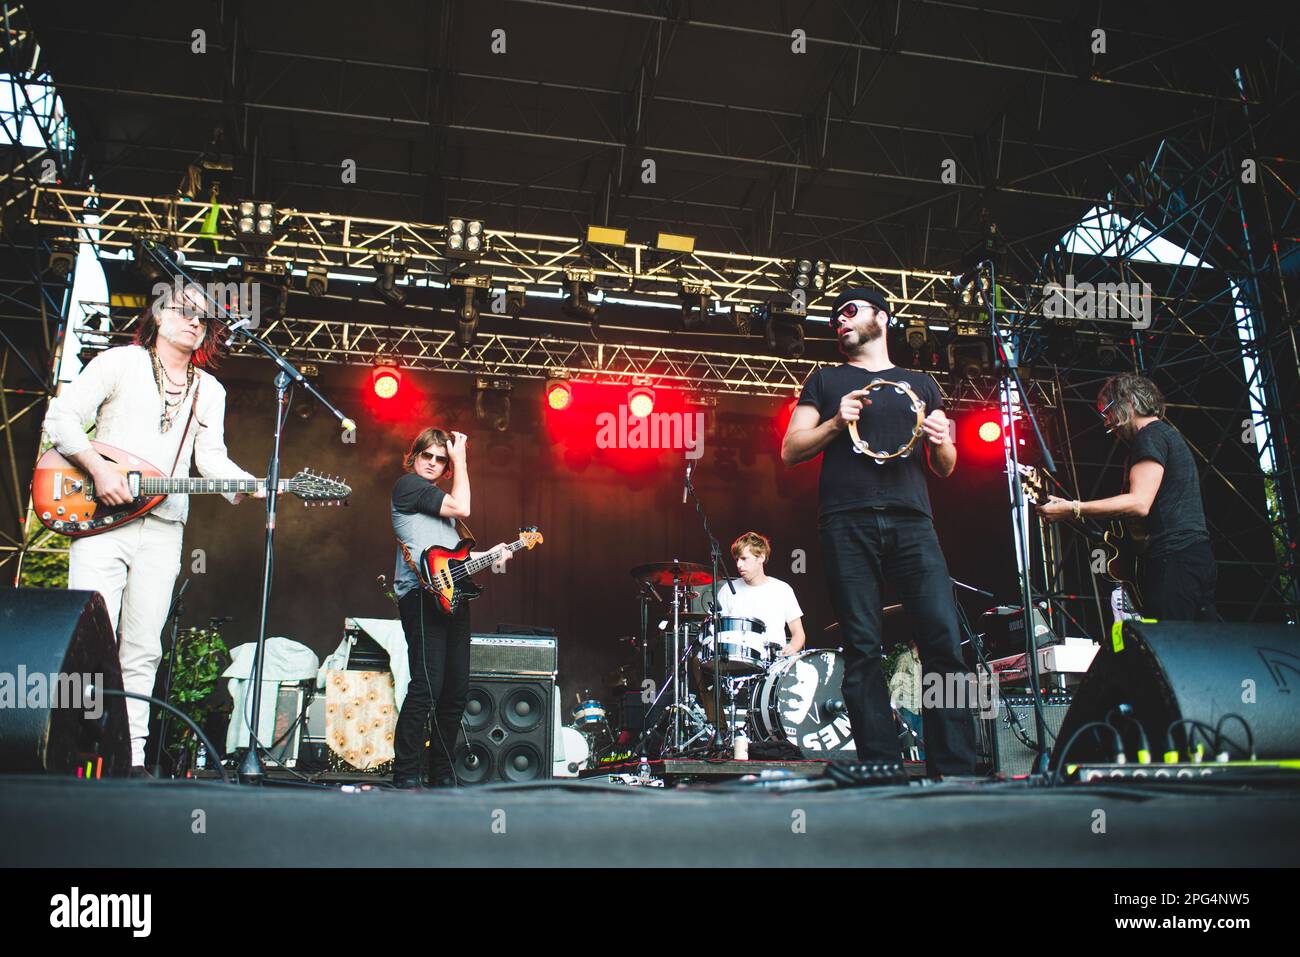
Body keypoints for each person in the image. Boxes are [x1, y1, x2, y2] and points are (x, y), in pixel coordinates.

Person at [42, 282, 260, 776]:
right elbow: (62, 419)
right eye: (184, 312)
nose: (194, 321)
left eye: (203, 318)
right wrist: (98, 470)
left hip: (163, 527)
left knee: (143, 647)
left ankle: (131, 757)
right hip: (102, 521)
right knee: (89, 639)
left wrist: (247, 485)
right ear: (158, 317)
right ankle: (72, 753)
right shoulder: (121, 363)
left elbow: (212, 460)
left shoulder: (210, 391)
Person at [781, 287, 977, 776]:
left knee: (942, 641)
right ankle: (880, 768)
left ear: (882, 318)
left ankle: (953, 770)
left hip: (913, 521)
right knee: (862, 647)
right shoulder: (825, 380)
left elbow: (946, 467)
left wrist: (944, 443)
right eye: (834, 318)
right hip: (847, 522)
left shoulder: (920, 383)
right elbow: (790, 448)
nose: (839, 322)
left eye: (849, 312)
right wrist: (834, 423)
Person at [1038, 373, 1218, 620]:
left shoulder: (1150, 436)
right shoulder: (1166, 435)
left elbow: (1138, 503)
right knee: (1197, 647)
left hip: (1174, 557)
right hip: (1191, 555)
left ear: (1129, 402)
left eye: (1108, 411)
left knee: (1171, 647)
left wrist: (1074, 508)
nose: (1107, 422)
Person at [390, 427, 512, 789]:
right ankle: (406, 775)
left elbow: (453, 560)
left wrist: (495, 554)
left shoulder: (446, 513)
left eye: (440, 459)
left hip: (452, 597)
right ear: (414, 458)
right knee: (426, 687)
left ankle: (441, 774)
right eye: (426, 455)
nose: (432, 463)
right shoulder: (408, 486)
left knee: (455, 691)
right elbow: (465, 505)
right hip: (421, 597)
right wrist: (461, 458)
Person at [715, 531, 806, 659]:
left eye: (744, 558)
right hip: (735, 663)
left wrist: (792, 648)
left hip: (774, 665)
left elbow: (798, 633)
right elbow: (715, 631)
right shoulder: (727, 590)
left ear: (761, 557)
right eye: (737, 559)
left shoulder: (783, 589)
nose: (739, 564)